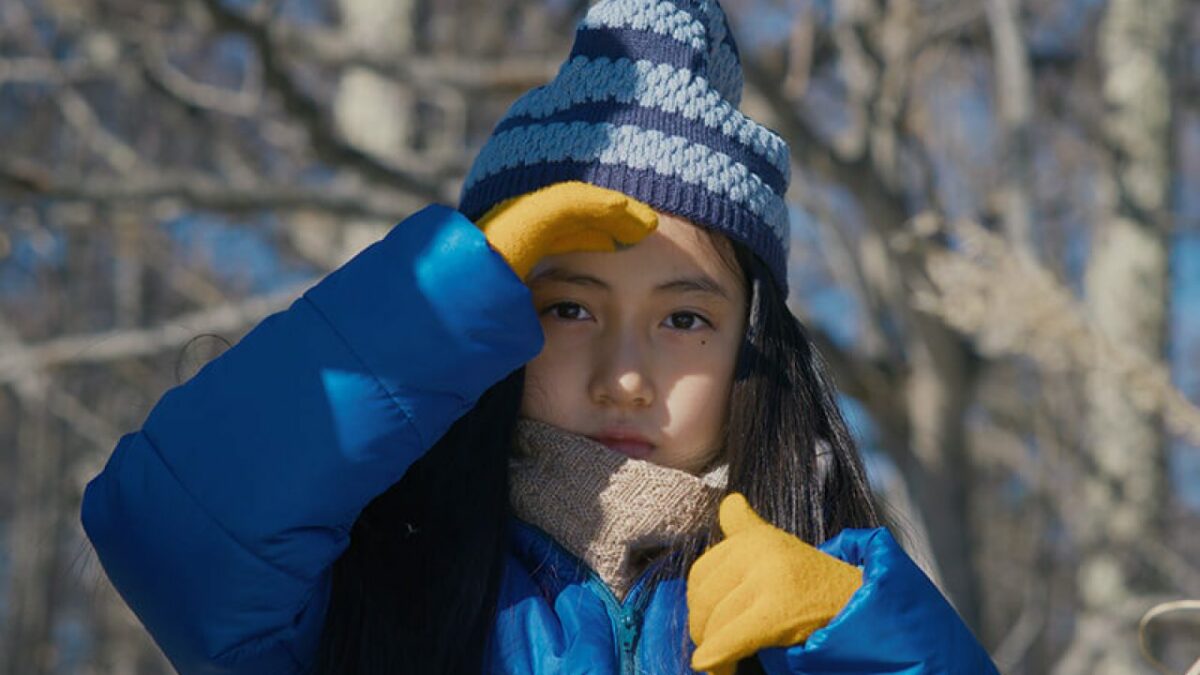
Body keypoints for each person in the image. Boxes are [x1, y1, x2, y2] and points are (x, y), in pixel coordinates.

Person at [81, 1, 1001, 673]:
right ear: (489, 325)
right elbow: (171, 533)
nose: (624, 376)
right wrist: (441, 293)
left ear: (752, 349)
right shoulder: (379, 580)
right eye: (568, 308)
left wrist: (864, 642)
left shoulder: (816, 614)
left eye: (685, 319)